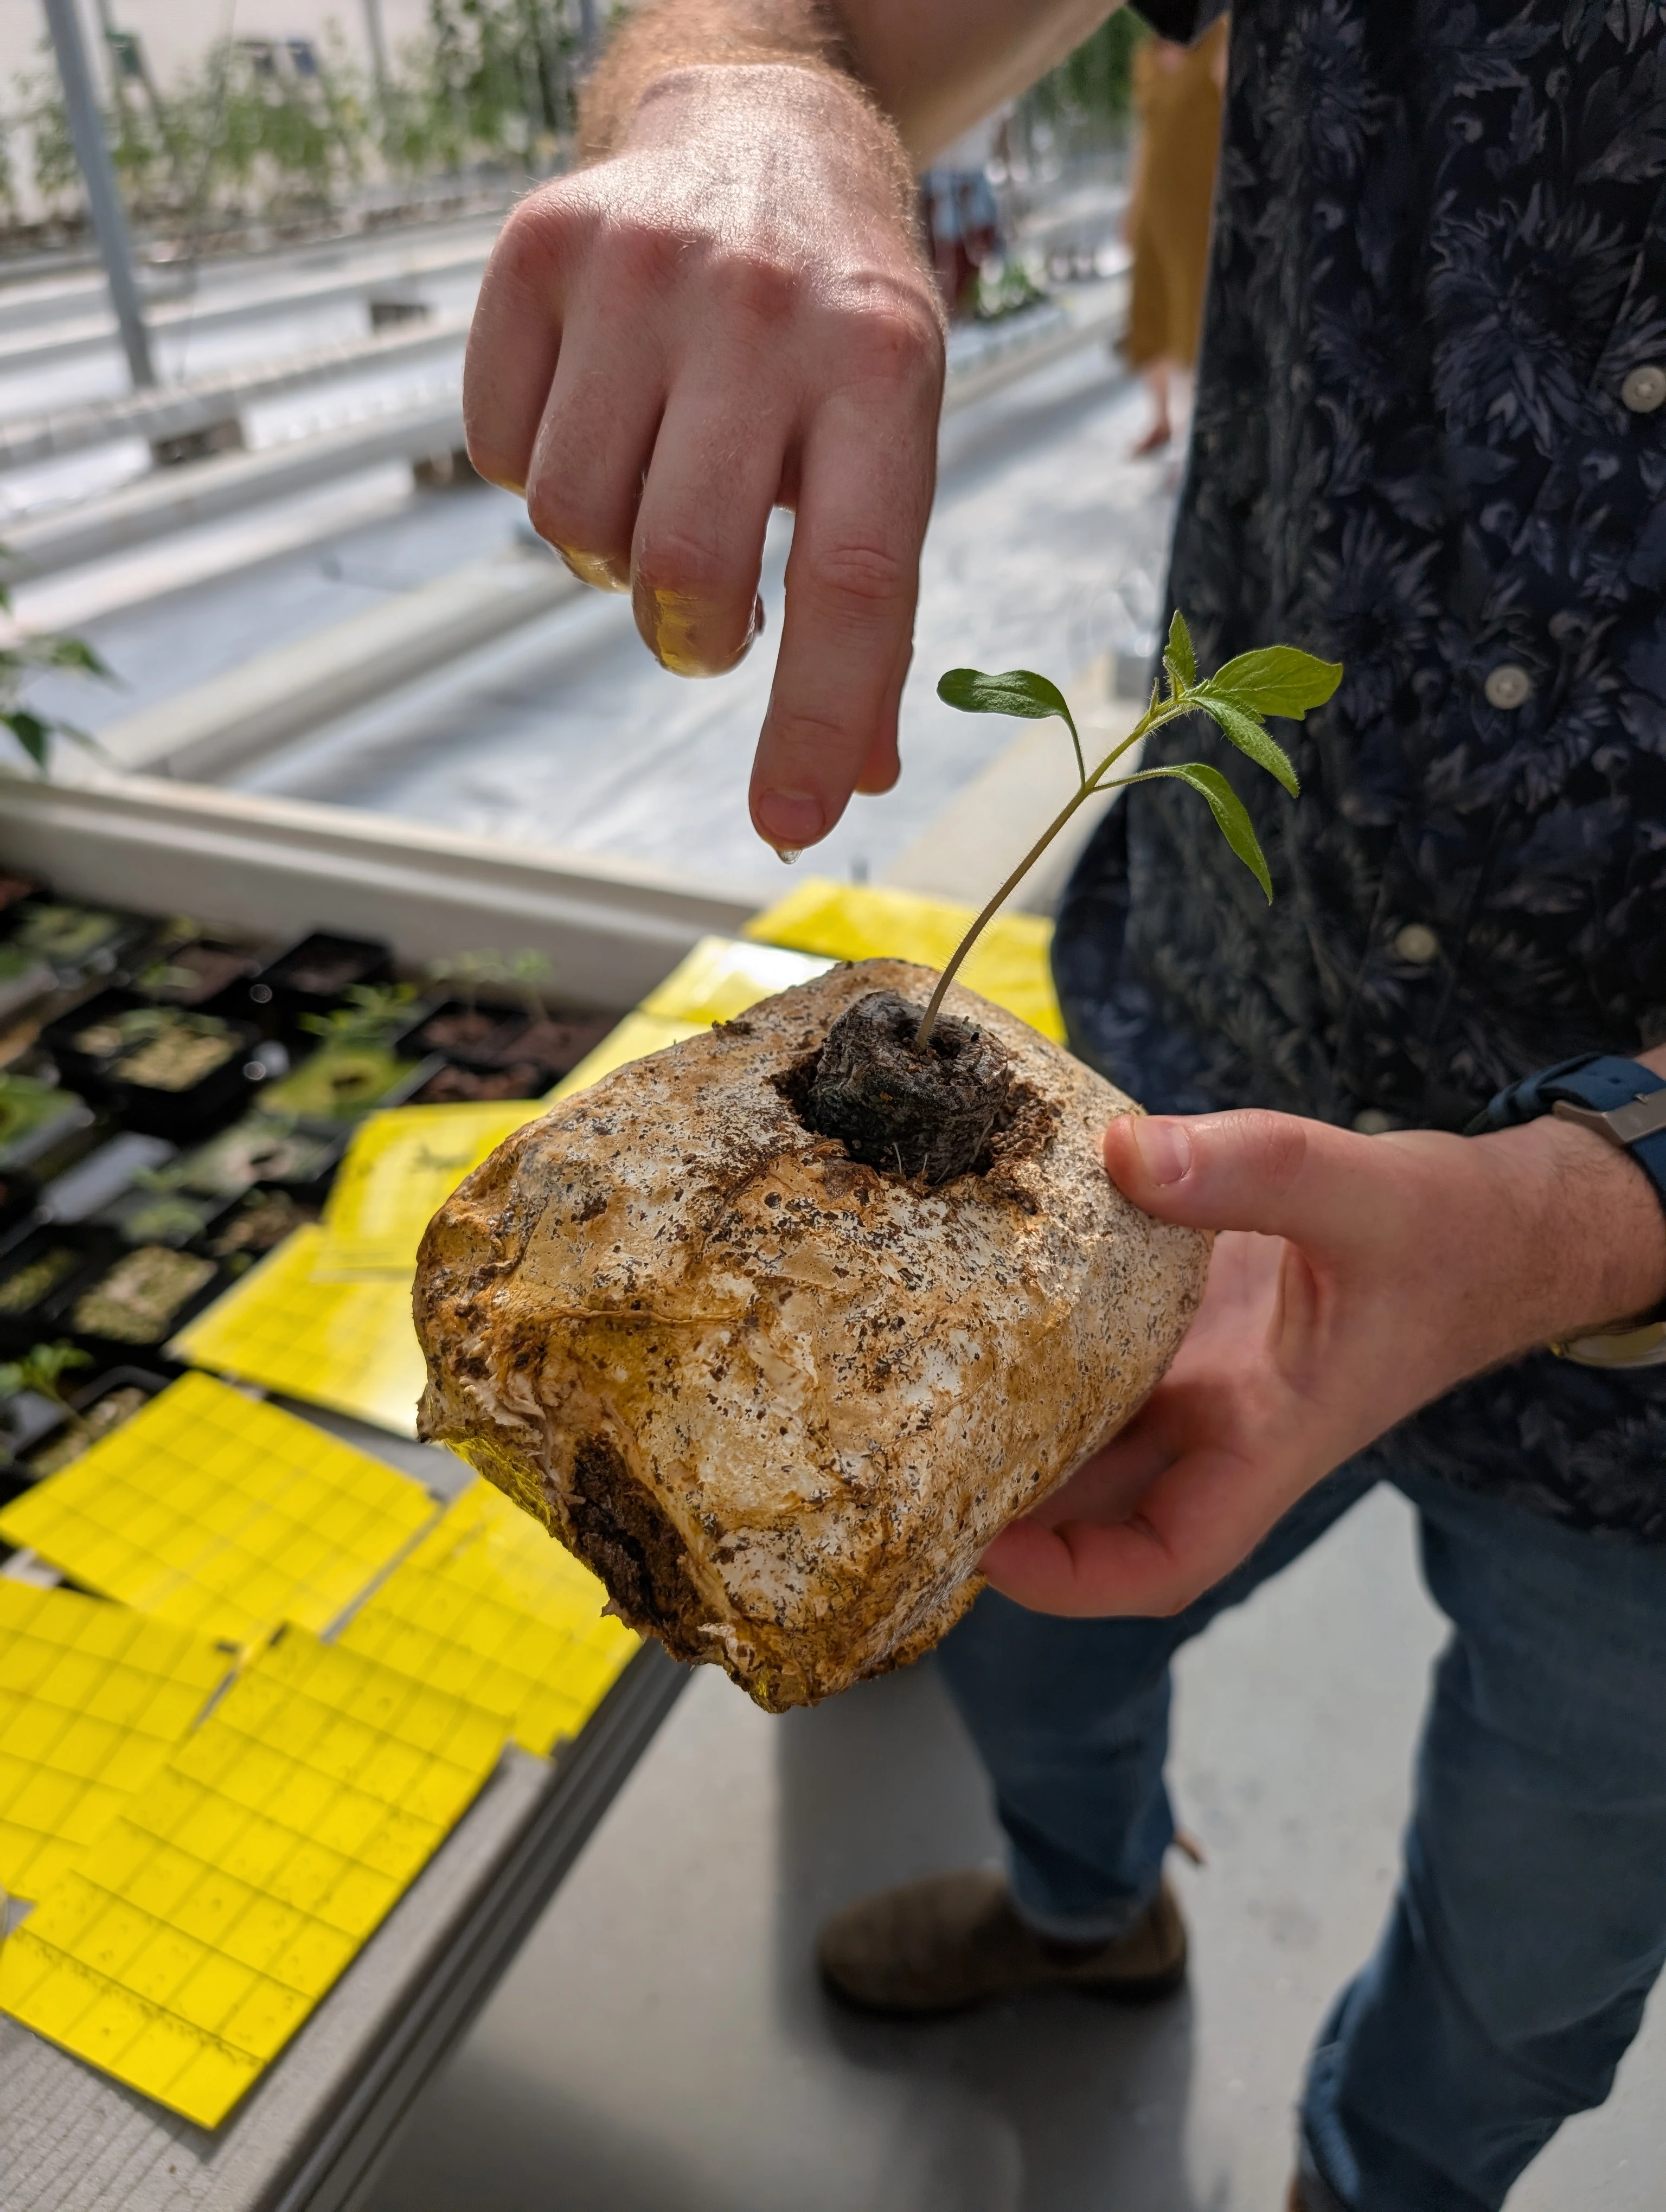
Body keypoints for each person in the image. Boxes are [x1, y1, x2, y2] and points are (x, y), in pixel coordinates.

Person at [462, 4, 1666, 2206]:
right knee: (1034, 1625)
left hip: (1654, 1390)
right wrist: (751, 92)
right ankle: (1089, 1910)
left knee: (1542, 1935)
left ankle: (1377, 2178)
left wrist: (1601, 1204)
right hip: (1179, 1128)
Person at [1122, 17, 1228, 454]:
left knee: (1191, 317)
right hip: (1154, 207)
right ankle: (1161, 419)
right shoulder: (1145, 57)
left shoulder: (1218, 42)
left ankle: (1196, 440)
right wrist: (1132, 205)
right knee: (1151, 314)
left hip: (1198, 208)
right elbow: (1145, 138)